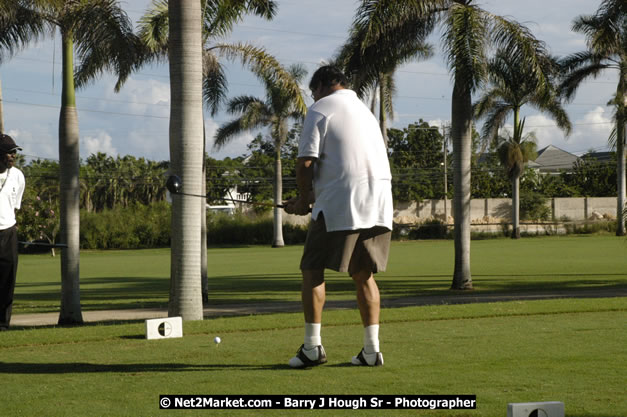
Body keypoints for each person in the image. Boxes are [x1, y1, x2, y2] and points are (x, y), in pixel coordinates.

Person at [284, 65, 393, 368]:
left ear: (320, 86)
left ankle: (312, 348)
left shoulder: (320, 109)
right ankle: (372, 352)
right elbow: (348, 163)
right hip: (379, 201)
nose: (312, 97)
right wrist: (307, 198)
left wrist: (304, 200)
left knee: (312, 269)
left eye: (312, 91)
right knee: (363, 274)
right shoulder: (365, 112)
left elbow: (306, 163)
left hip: (341, 202)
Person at [0, 134, 25, 331]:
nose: (13, 155)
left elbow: (14, 206)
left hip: (8, 231)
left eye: (14, 152)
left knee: (7, 280)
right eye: (9, 152)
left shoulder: (17, 176)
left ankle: (3, 324)